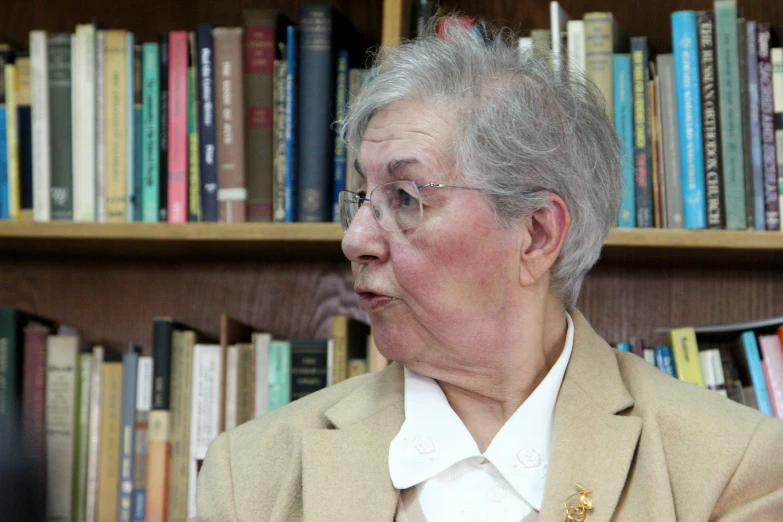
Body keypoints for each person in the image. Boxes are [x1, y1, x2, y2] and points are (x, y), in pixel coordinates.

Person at [194, 19, 783, 521]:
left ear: (536, 234)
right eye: (360, 199)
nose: (355, 241)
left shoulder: (733, 468)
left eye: (404, 196)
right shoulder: (252, 477)